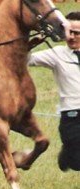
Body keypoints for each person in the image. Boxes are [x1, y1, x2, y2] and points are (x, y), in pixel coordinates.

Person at [28, 11, 80, 171]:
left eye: (76, 33)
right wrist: (30, 44)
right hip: (72, 118)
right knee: (76, 163)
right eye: (68, 32)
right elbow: (27, 59)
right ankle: (67, 156)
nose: (71, 37)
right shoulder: (57, 54)